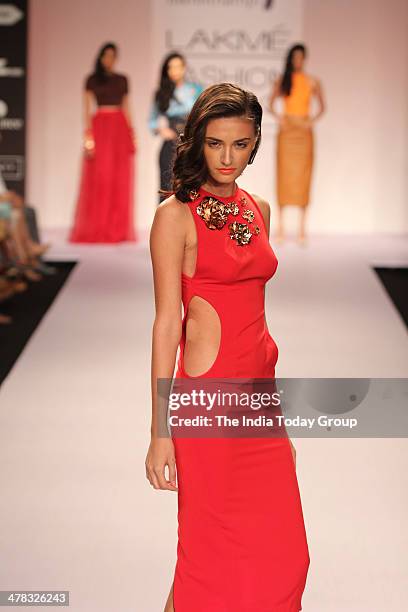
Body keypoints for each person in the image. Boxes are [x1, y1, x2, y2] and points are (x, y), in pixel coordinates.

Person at [146, 83, 310, 611]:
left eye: (240, 145)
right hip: (207, 405)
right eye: (216, 144)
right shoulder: (175, 216)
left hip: (259, 404)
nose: (227, 157)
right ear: (196, 141)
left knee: (286, 557)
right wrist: (160, 432)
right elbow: (167, 324)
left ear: (255, 142)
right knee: (205, 557)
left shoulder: (257, 208)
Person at [69, 42, 137, 243]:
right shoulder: (91, 80)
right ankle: (98, 228)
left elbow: (127, 107)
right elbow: (86, 110)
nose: (109, 59)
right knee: (101, 178)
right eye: (106, 55)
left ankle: (116, 230)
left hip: (119, 128)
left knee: (119, 178)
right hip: (101, 128)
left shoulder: (122, 79)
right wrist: (88, 137)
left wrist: (132, 134)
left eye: (113, 56)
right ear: (100, 57)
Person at [269, 43, 326, 245]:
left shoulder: (312, 81)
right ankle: (282, 228)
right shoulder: (283, 81)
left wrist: (310, 120)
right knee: (284, 175)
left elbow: (322, 107)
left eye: (301, 57)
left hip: (303, 130)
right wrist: (281, 118)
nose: (298, 61)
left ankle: (302, 228)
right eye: (295, 57)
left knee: (304, 176)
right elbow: (270, 104)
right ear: (290, 59)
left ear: (305, 59)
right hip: (287, 130)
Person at [148, 52, 203, 204]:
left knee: (193, 187)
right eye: (171, 67)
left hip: (192, 144)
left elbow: (204, 113)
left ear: (184, 68)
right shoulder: (161, 94)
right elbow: (152, 121)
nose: (175, 71)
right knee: (167, 187)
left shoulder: (196, 90)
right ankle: (166, 225)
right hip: (171, 146)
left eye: (178, 66)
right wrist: (161, 130)